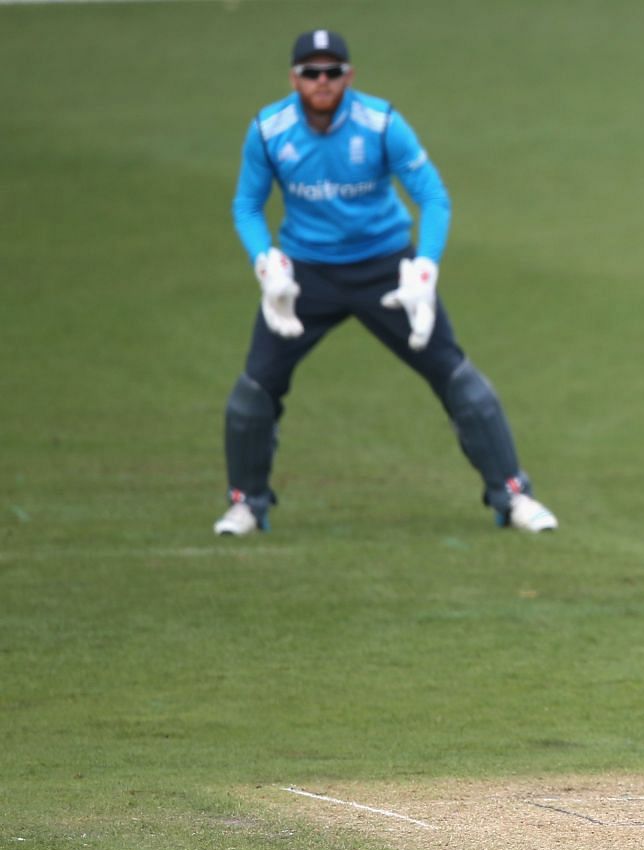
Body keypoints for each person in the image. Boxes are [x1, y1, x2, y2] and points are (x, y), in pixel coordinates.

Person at [214, 29, 556, 536]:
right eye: (312, 72)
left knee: (456, 377)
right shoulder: (269, 131)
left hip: (386, 269)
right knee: (254, 391)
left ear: (349, 76)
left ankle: (512, 496)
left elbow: (433, 196)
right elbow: (246, 205)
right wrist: (266, 264)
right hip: (305, 276)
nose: (322, 81)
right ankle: (247, 504)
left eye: (333, 72)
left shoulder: (381, 124)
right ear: (294, 79)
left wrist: (426, 267)